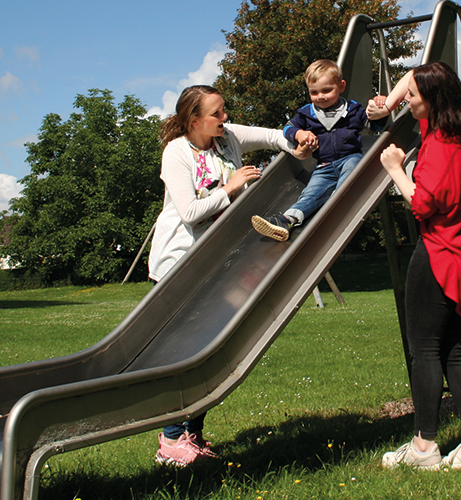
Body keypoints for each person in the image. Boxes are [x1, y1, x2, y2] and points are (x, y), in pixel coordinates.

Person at [148, 85, 312, 466]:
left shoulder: (229, 137)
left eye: (225, 111)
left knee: (211, 350)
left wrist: (297, 142)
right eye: (217, 114)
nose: (226, 118)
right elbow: (189, 212)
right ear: (194, 120)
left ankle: (192, 435)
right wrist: (231, 187)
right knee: (181, 354)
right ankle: (170, 439)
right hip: (179, 263)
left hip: (220, 261)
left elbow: (274, 137)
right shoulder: (177, 153)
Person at [366, 61, 461, 470]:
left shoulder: (438, 147)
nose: (407, 98)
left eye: (413, 95)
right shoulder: (456, 136)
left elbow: (422, 201)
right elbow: (417, 80)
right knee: (452, 352)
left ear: (433, 99)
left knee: (424, 352)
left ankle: (424, 449)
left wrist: (395, 170)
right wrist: (388, 102)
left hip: (438, 256)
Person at [251, 59, 387, 241]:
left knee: (351, 171)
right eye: (314, 92)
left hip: (350, 157)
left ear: (341, 86)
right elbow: (287, 128)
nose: (320, 96)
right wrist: (299, 134)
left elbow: (375, 126)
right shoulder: (307, 113)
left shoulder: (353, 109)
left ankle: (338, 203)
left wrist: (381, 106)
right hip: (324, 165)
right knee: (311, 193)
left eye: (326, 90)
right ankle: (286, 220)